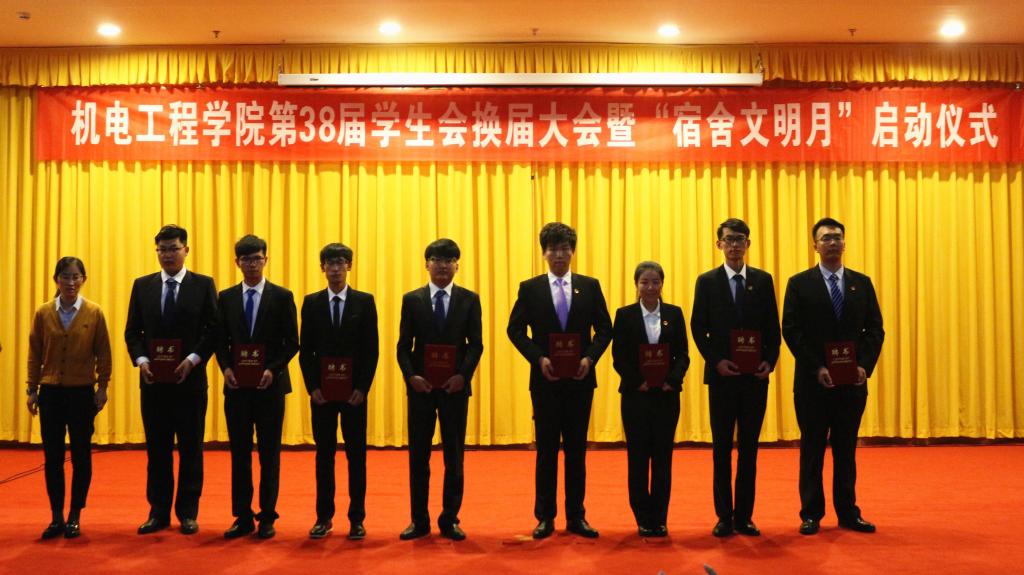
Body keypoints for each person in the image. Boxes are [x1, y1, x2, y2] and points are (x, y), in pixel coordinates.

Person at [507, 222, 613, 539]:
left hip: (580, 380)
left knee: (577, 451)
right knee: (547, 450)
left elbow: (605, 329)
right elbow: (514, 330)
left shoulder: (590, 286)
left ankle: (577, 516)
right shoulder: (530, 288)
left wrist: (589, 358)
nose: (559, 255)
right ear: (544, 253)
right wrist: (538, 358)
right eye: (553, 249)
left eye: (565, 248)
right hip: (546, 381)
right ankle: (545, 517)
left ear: (573, 251)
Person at [782, 217, 885, 535]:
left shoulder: (861, 283)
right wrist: (818, 368)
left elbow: (875, 330)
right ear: (815, 245)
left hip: (851, 383)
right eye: (826, 238)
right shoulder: (799, 284)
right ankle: (811, 513)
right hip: (813, 383)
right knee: (812, 449)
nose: (833, 242)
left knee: (846, 450)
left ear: (845, 243)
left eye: (837, 237)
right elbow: (792, 331)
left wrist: (863, 365)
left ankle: (848, 512)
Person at [125, 224, 218, 535]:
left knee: (191, 449)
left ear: (186, 250)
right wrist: (142, 361)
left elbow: (213, 331)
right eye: (162, 250)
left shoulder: (203, 285)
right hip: (153, 385)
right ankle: (158, 512)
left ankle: (188, 513)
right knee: (157, 451)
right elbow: (132, 332)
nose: (167, 255)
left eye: (173, 248)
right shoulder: (143, 286)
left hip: (190, 383)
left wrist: (193, 359)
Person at [690, 218, 781, 537]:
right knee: (721, 448)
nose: (734, 245)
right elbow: (698, 327)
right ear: (719, 244)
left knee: (749, 448)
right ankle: (723, 516)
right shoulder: (707, 281)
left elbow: (773, 328)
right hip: (722, 378)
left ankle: (744, 516)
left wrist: (769, 361)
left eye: (740, 239)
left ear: (748, 244)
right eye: (728, 240)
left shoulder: (763, 280)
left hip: (755, 379)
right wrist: (716, 362)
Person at [396, 239, 483, 541]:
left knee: (454, 457)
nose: (442, 265)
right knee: (418, 457)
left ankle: (450, 519)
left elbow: (476, 345)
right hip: (421, 390)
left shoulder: (469, 299)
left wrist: (462, 376)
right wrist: (411, 377)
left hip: (454, 390)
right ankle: (419, 520)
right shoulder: (412, 300)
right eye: (436, 259)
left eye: (449, 260)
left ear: (457, 265)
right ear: (426, 264)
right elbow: (403, 347)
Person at [215, 235, 299, 540]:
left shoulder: (282, 296)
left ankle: (267, 516)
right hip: (237, 387)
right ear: (237, 262)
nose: (252, 264)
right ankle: (242, 516)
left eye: (257, 259)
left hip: (270, 387)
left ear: (266, 260)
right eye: (246, 259)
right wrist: (226, 368)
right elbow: (219, 341)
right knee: (239, 453)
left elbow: (292, 342)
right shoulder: (226, 298)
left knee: (269, 454)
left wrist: (271, 370)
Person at [27, 257, 112, 539]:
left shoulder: (94, 312)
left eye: (76, 277)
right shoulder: (43, 312)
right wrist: (31, 389)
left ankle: (75, 515)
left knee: (81, 455)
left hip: (81, 393)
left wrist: (102, 387)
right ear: (56, 280)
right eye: (65, 276)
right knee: (52, 457)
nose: (71, 282)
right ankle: (56, 517)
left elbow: (104, 353)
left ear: (83, 279)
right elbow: (34, 354)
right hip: (50, 393)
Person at [299, 243, 379, 540]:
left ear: (349, 266)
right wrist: (312, 387)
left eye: (341, 263)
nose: (335, 268)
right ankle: (324, 517)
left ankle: (357, 518)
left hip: (354, 394)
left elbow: (371, 350)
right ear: (322, 268)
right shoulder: (312, 303)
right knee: (324, 456)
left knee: (356, 456)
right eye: (330, 263)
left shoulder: (364, 302)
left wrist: (362, 388)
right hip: (322, 394)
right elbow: (306, 351)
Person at [611, 261, 689, 538]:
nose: (650, 287)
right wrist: (637, 381)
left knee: (663, 458)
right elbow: (619, 357)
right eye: (644, 282)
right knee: (638, 458)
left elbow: (683, 354)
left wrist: (672, 380)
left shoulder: (674, 314)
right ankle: (642, 517)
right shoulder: (625, 315)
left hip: (666, 397)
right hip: (636, 397)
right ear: (636, 285)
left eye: (655, 282)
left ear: (662, 284)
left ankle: (660, 517)